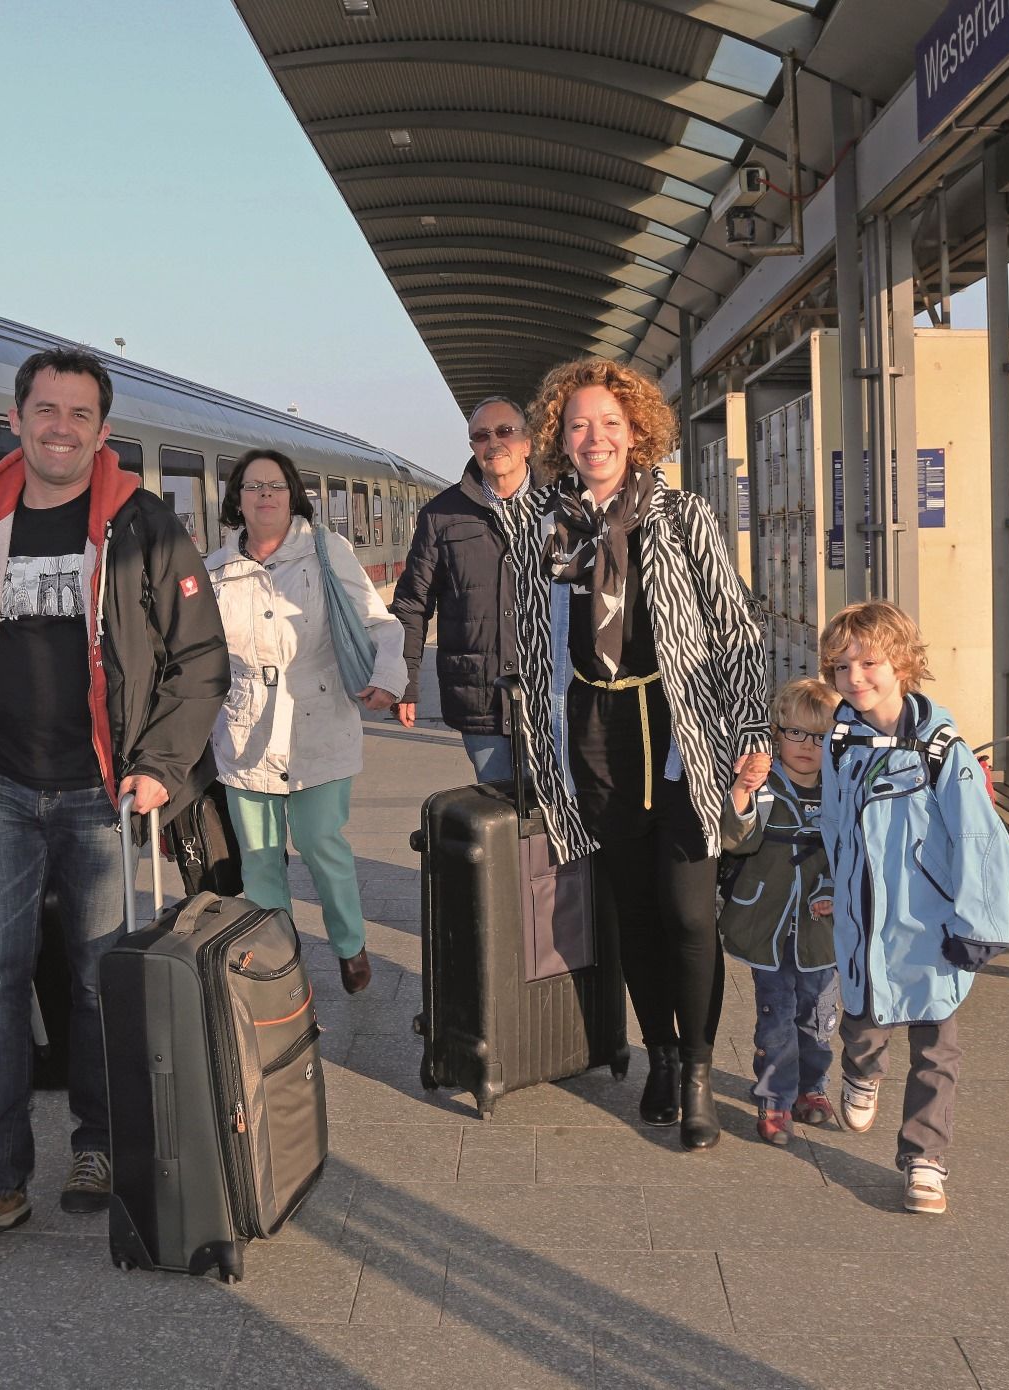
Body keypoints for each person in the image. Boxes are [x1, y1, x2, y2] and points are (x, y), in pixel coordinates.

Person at [0, 347, 228, 1254]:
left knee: (99, 986)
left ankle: (97, 1143)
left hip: (104, 792)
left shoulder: (143, 524)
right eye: (44, 410)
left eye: (79, 414)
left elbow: (200, 658)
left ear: (102, 429)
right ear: (14, 419)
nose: (61, 428)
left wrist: (161, 766)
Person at [495, 357, 771, 1150]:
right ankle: (661, 1052)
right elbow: (528, 642)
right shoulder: (543, 526)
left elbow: (736, 629)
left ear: (636, 431)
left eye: (610, 423)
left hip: (679, 726)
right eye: (579, 424)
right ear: (559, 436)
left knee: (688, 911)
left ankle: (697, 1076)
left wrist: (750, 733)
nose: (595, 437)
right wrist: (529, 740)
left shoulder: (682, 516)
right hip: (593, 733)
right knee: (633, 912)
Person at [817, 600, 1009, 1215]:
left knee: (936, 1045)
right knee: (863, 1018)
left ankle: (924, 1160)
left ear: (902, 663)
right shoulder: (841, 740)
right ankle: (861, 1070)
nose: (856, 678)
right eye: (841, 667)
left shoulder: (940, 749)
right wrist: (834, 882)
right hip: (861, 919)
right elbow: (833, 822)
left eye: (869, 662)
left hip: (931, 924)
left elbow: (980, 839)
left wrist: (979, 922)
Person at [207, 448, 403, 995]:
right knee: (260, 861)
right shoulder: (214, 571)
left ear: (292, 496)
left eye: (275, 485)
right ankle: (281, 966)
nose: (265, 495)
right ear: (237, 501)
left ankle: (349, 943)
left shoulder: (326, 551)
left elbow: (378, 622)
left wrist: (389, 677)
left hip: (319, 719)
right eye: (253, 487)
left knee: (321, 841)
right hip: (244, 728)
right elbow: (198, 654)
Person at [719, 677, 841, 1148]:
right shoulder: (766, 783)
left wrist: (829, 888)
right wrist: (743, 793)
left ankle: (812, 1088)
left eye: (819, 737)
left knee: (817, 1016)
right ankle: (774, 1099)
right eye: (794, 733)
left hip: (820, 929)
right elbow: (738, 840)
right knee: (776, 1016)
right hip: (767, 921)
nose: (806, 746)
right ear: (776, 733)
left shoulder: (838, 790)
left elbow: (848, 851)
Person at [389, 395, 533, 781]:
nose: (493, 442)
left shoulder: (560, 508)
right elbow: (412, 604)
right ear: (472, 446)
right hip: (479, 696)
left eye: (505, 431)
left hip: (552, 697)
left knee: (560, 820)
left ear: (527, 443)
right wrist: (404, 680)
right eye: (481, 435)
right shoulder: (440, 515)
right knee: (499, 820)